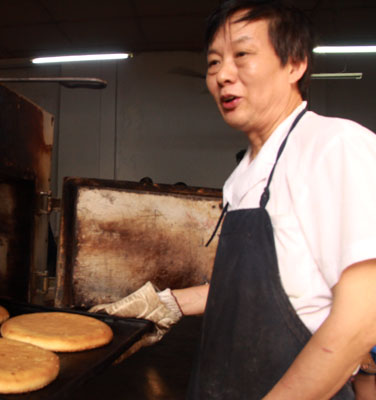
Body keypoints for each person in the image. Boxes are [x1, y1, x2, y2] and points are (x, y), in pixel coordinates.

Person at [90, 0, 376, 398]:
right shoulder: (240, 178)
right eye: (213, 62)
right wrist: (167, 303)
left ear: (295, 64)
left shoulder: (334, 146)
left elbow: (363, 318)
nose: (223, 75)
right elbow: (257, 293)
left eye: (242, 55)